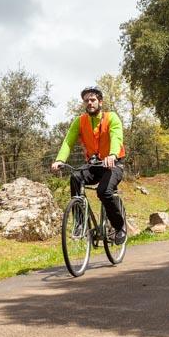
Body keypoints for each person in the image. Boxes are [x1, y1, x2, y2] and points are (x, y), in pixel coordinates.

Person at [50, 86, 127, 244]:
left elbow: (116, 137)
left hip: (114, 164)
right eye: (86, 101)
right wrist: (60, 160)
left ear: (100, 101)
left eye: (92, 100)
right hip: (94, 164)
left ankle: (120, 227)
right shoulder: (80, 121)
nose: (89, 103)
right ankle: (79, 224)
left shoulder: (112, 117)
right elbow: (68, 141)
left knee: (104, 192)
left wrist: (112, 154)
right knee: (76, 177)